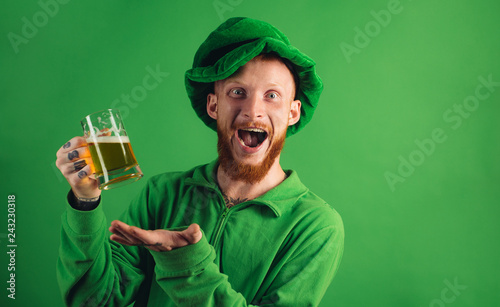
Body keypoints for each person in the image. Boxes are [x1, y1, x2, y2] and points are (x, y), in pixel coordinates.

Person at [55, 17, 344, 306]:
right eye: (237, 92)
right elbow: (92, 300)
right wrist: (85, 202)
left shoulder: (316, 226)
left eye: (272, 96)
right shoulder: (162, 194)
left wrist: (185, 262)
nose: (253, 111)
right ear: (213, 105)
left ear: (293, 113)